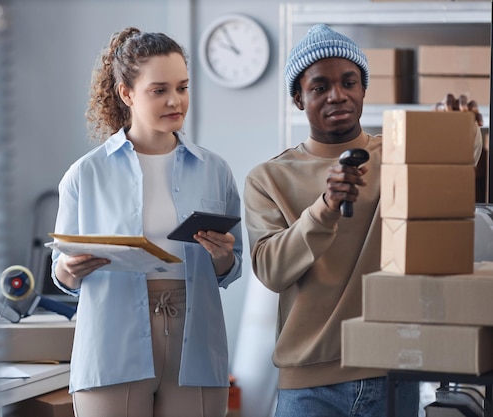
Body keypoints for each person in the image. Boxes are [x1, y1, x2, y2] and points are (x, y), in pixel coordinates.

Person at [243, 24, 483, 417]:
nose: (337, 95)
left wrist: (461, 128)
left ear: (363, 88)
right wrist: (325, 206)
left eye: (349, 82)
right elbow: (271, 270)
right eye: (320, 87)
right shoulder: (269, 178)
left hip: (390, 370)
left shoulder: (397, 152)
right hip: (308, 387)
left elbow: (452, 167)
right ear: (298, 99)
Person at [50, 27, 243, 417]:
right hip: (111, 341)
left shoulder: (215, 171)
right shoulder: (85, 174)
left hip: (196, 343)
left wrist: (223, 257)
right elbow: (62, 275)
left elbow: (231, 266)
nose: (176, 100)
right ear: (127, 94)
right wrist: (70, 270)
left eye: (183, 87)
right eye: (159, 90)